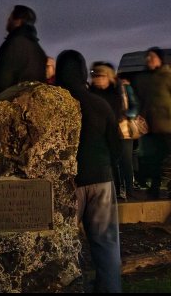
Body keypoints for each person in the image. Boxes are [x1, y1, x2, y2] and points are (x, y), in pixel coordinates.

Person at [56, 50, 122, 293]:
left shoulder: (56, 105)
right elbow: (116, 145)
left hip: (68, 185)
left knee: (63, 244)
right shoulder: (99, 104)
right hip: (101, 180)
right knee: (106, 244)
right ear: (83, 71)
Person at [133, 47, 171, 198]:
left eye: (152, 57)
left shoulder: (169, 77)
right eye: (147, 57)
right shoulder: (142, 79)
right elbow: (139, 100)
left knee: (169, 158)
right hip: (149, 127)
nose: (148, 60)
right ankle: (154, 188)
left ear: (160, 59)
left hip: (167, 127)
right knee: (152, 159)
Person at [89, 62, 140, 201]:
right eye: (94, 75)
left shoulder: (121, 88)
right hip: (104, 131)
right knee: (111, 162)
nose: (97, 78)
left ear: (109, 76)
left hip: (122, 130)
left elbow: (134, 106)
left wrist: (125, 115)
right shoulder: (92, 92)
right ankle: (117, 191)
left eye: (101, 75)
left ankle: (129, 191)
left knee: (125, 161)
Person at [0, 4, 47, 95]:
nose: (8, 20)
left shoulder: (13, 43)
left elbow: (1, 82)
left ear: (18, 21)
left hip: (11, 99)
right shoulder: (39, 49)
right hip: (33, 100)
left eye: (10, 17)